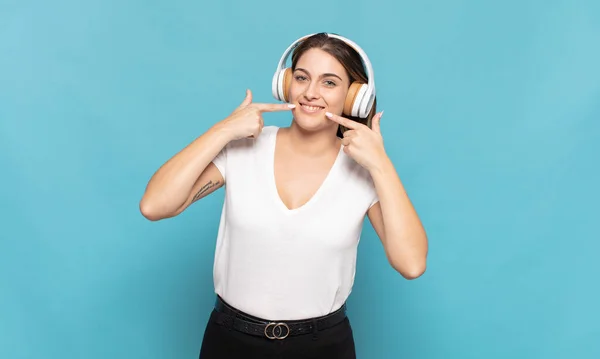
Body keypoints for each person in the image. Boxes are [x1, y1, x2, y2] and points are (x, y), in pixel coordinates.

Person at [139, 32, 428, 359]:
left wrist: (382, 166)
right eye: (302, 77)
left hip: (323, 346)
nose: (310, 93)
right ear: (285, 82)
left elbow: (411, 264)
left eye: (329, 83)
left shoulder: (365, 171)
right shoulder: (245, 148)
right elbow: (154, 205)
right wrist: (223, 130)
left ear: (354, 96)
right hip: (230, 341)